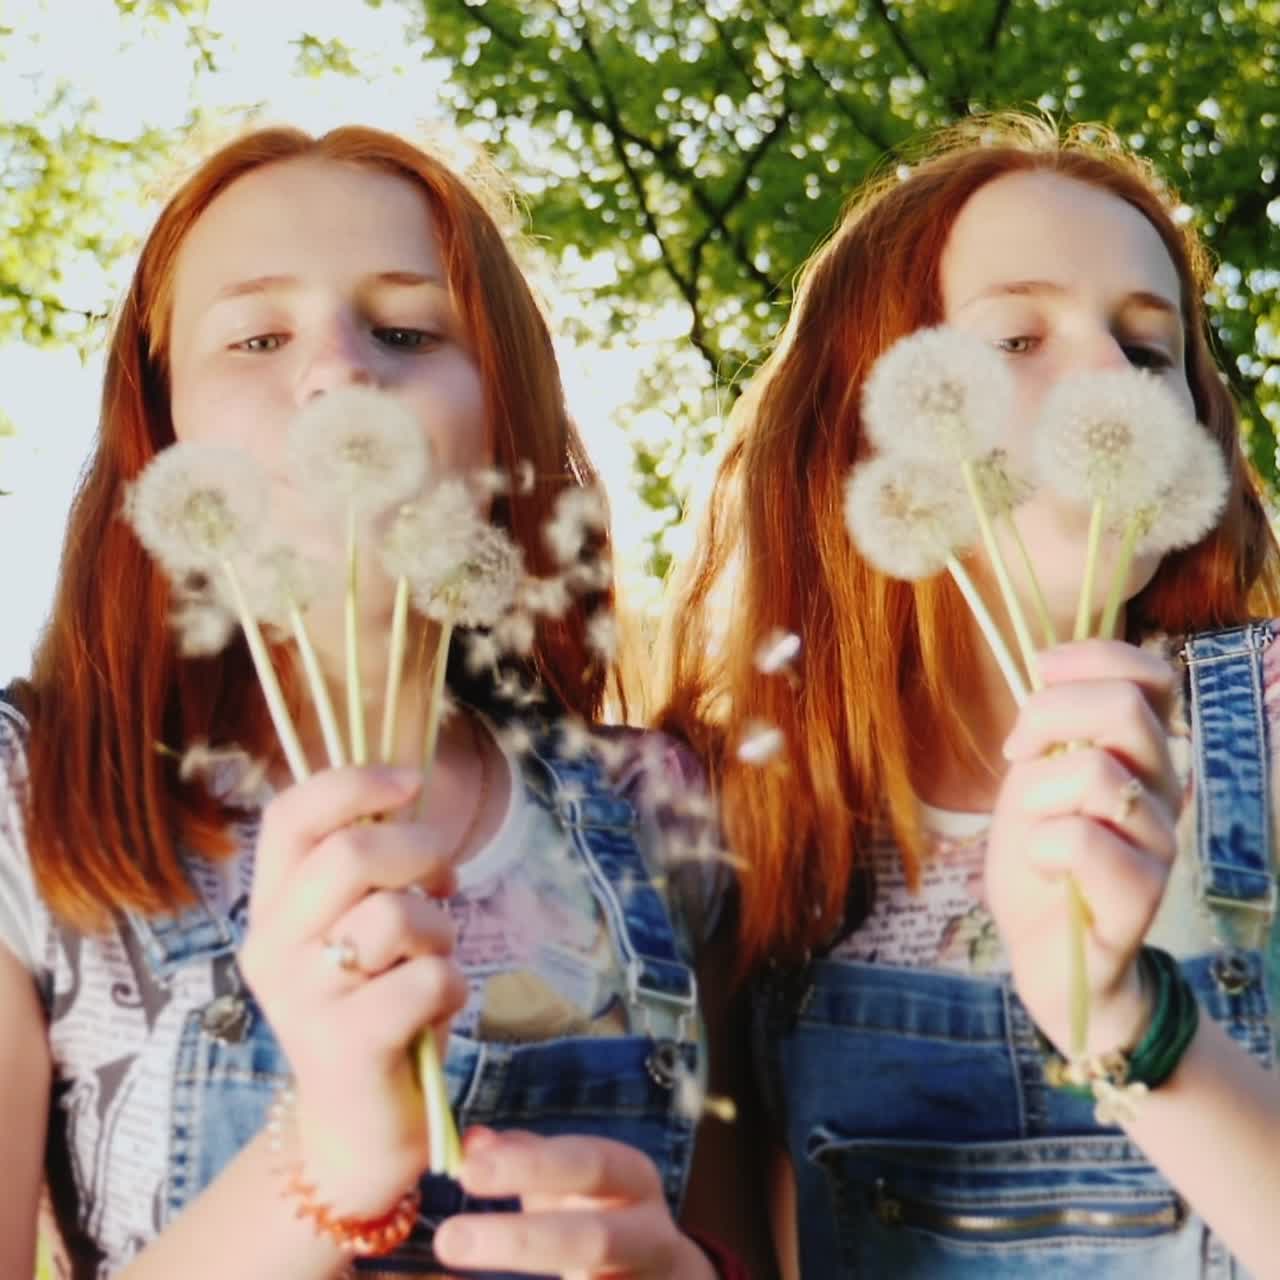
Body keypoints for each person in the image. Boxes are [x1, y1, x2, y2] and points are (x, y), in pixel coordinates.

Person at [0, 123, 765, 1279]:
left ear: (504, 416)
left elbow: (744, 1240)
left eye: (405, 329)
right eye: (256, 336)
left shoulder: (657, 809)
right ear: (160, 435)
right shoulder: (29, 798)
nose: (338, 371)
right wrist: (323, 1162)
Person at [658, 113, 1280, 1277]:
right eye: (1013, 338)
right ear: (860, 423)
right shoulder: (724, 824)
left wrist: (1127, 1021)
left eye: (1150, 352)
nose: (1108, 376)